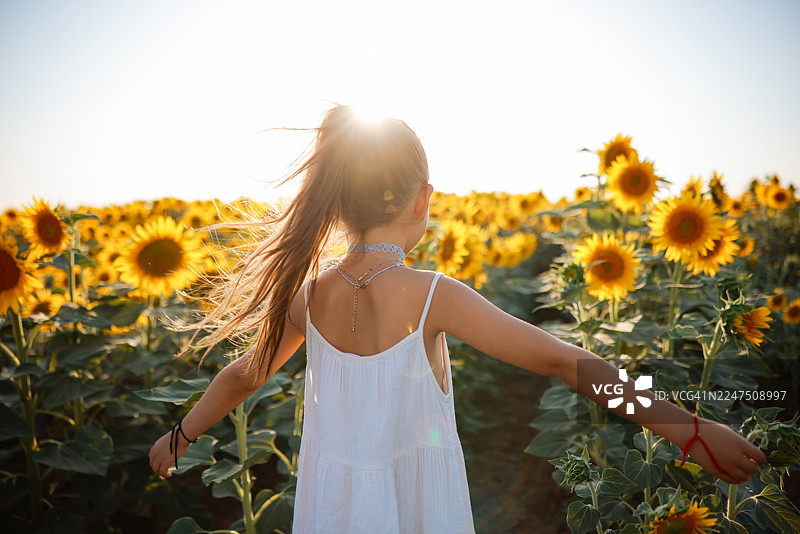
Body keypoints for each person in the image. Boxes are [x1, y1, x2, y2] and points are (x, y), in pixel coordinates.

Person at [149, 105, 766, 533]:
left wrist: (179, 438)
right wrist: (686, 429)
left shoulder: (307, 297)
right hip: (417, 503)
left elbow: (244, 375)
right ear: (423, 199)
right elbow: (562, 360)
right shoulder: (431, 296)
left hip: (333, 504)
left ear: (337, 204)